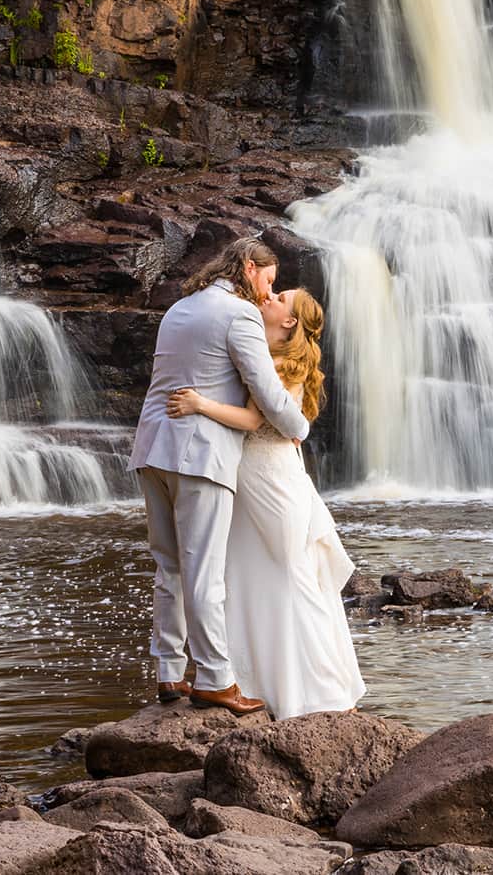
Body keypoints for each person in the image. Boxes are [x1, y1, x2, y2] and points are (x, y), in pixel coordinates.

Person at [129, 237, 311, 715]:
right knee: (204, 571)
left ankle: (169, 673)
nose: (269, 293)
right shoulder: (239, 314)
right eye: (269, 281)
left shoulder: (181, 307)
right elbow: (267, 392)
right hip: (200, 457)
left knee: (168, 566)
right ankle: (214, 679)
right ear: (250, 268)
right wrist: (300, 426)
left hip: (152, 447)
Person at [166, 288, 366, 719]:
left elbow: (256, 420)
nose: (269, 297)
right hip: (253, 474)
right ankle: (255, 682)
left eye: (280, 298)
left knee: (287, 576)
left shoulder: (280, 364)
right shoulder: (262, 350)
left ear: (290, 321)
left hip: (271, 480)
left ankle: (317, 692)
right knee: (248, 573)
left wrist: (200, 404)